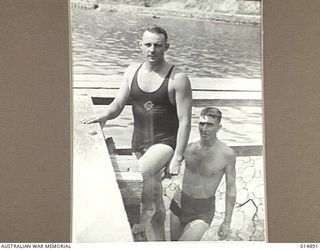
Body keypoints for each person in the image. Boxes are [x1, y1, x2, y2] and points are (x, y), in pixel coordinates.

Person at [82, 25, 192, 241]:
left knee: (137, 174)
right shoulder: (132, 71)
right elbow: (117, 105)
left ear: (166, 47)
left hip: (165, 143)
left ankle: (130, 226)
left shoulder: (177, 78)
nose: (153, 49)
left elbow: (185, 120)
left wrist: (178, 157)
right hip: (139, 142)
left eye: (158, 45)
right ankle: (160, 241)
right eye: (148, 44)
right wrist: (104, 115)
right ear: (140, 46)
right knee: (155, 195)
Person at [170, 107, 236, 241]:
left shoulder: (227, 154)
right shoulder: (188, 147)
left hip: (202, 210)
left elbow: (231, 189)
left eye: (210, 125)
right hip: (179, 201)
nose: (204, 128)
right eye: (202, 123)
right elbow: (168, 169)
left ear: (219, 127)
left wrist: (227, 221)